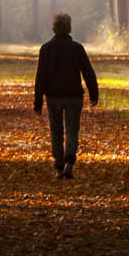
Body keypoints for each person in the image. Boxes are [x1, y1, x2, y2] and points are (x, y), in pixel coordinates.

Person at [33, 12, 99, 178]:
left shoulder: (46, 49)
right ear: (69, 28)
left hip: (54, 97)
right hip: (73, 97)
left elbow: (41, 77)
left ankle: (59, 165)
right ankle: (69, 162)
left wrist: (38, 102)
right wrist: (93, 94)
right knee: (72, 130)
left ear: (54, 28)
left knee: (56, 131)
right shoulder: (77, 48)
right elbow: (88, 72)